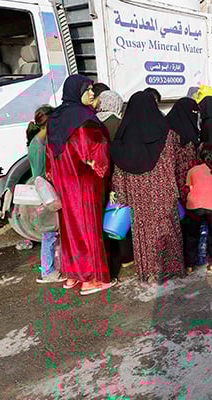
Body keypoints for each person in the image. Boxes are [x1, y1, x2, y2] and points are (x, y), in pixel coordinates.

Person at [109, 90, 186, 282]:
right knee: (167, 230)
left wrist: (122, 195)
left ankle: (149, 272)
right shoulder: (167, 134)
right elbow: (172, 165)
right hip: (164, 194)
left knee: (144, 234)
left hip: (139, 198)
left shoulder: (122, 140)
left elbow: (119, 174)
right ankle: (172, 269)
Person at [46, 74, 112, 295]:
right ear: (77, 92)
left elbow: (50, 157)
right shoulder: (84, 121)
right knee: (88, 229)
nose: (92, 93)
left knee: (70, 231)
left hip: (64, 185)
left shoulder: (56, 118)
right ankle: (91, 278)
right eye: (88, 89)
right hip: (84, 185)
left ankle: (72, 275)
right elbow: (95, 156)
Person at [96, 90, 133, 281]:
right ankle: (125, 257)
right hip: (116, 175)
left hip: (96, 177)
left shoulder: (92, 122)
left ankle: (106, 257)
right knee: (120, 215)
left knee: (101, 217)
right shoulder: (118, 124)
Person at [26, 104, 65, 284]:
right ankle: (47, 272)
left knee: (51, 234)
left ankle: (52, 268)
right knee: (49, 234)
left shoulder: (38, 141)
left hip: (44, 193)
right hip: (45, 195)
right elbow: (40, 175)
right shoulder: (39, 145)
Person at [182, 144, 212, 273]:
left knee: (192, 235)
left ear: (200, 157)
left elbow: (190, 189)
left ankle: (189, 265)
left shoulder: (192, 171)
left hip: (194, 205)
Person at [167, 97, 203, 207]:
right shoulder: (169, 131)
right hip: (176, 175)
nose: (194, 115)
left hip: (191, 176)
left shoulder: (192, 128)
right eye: (193, 112)